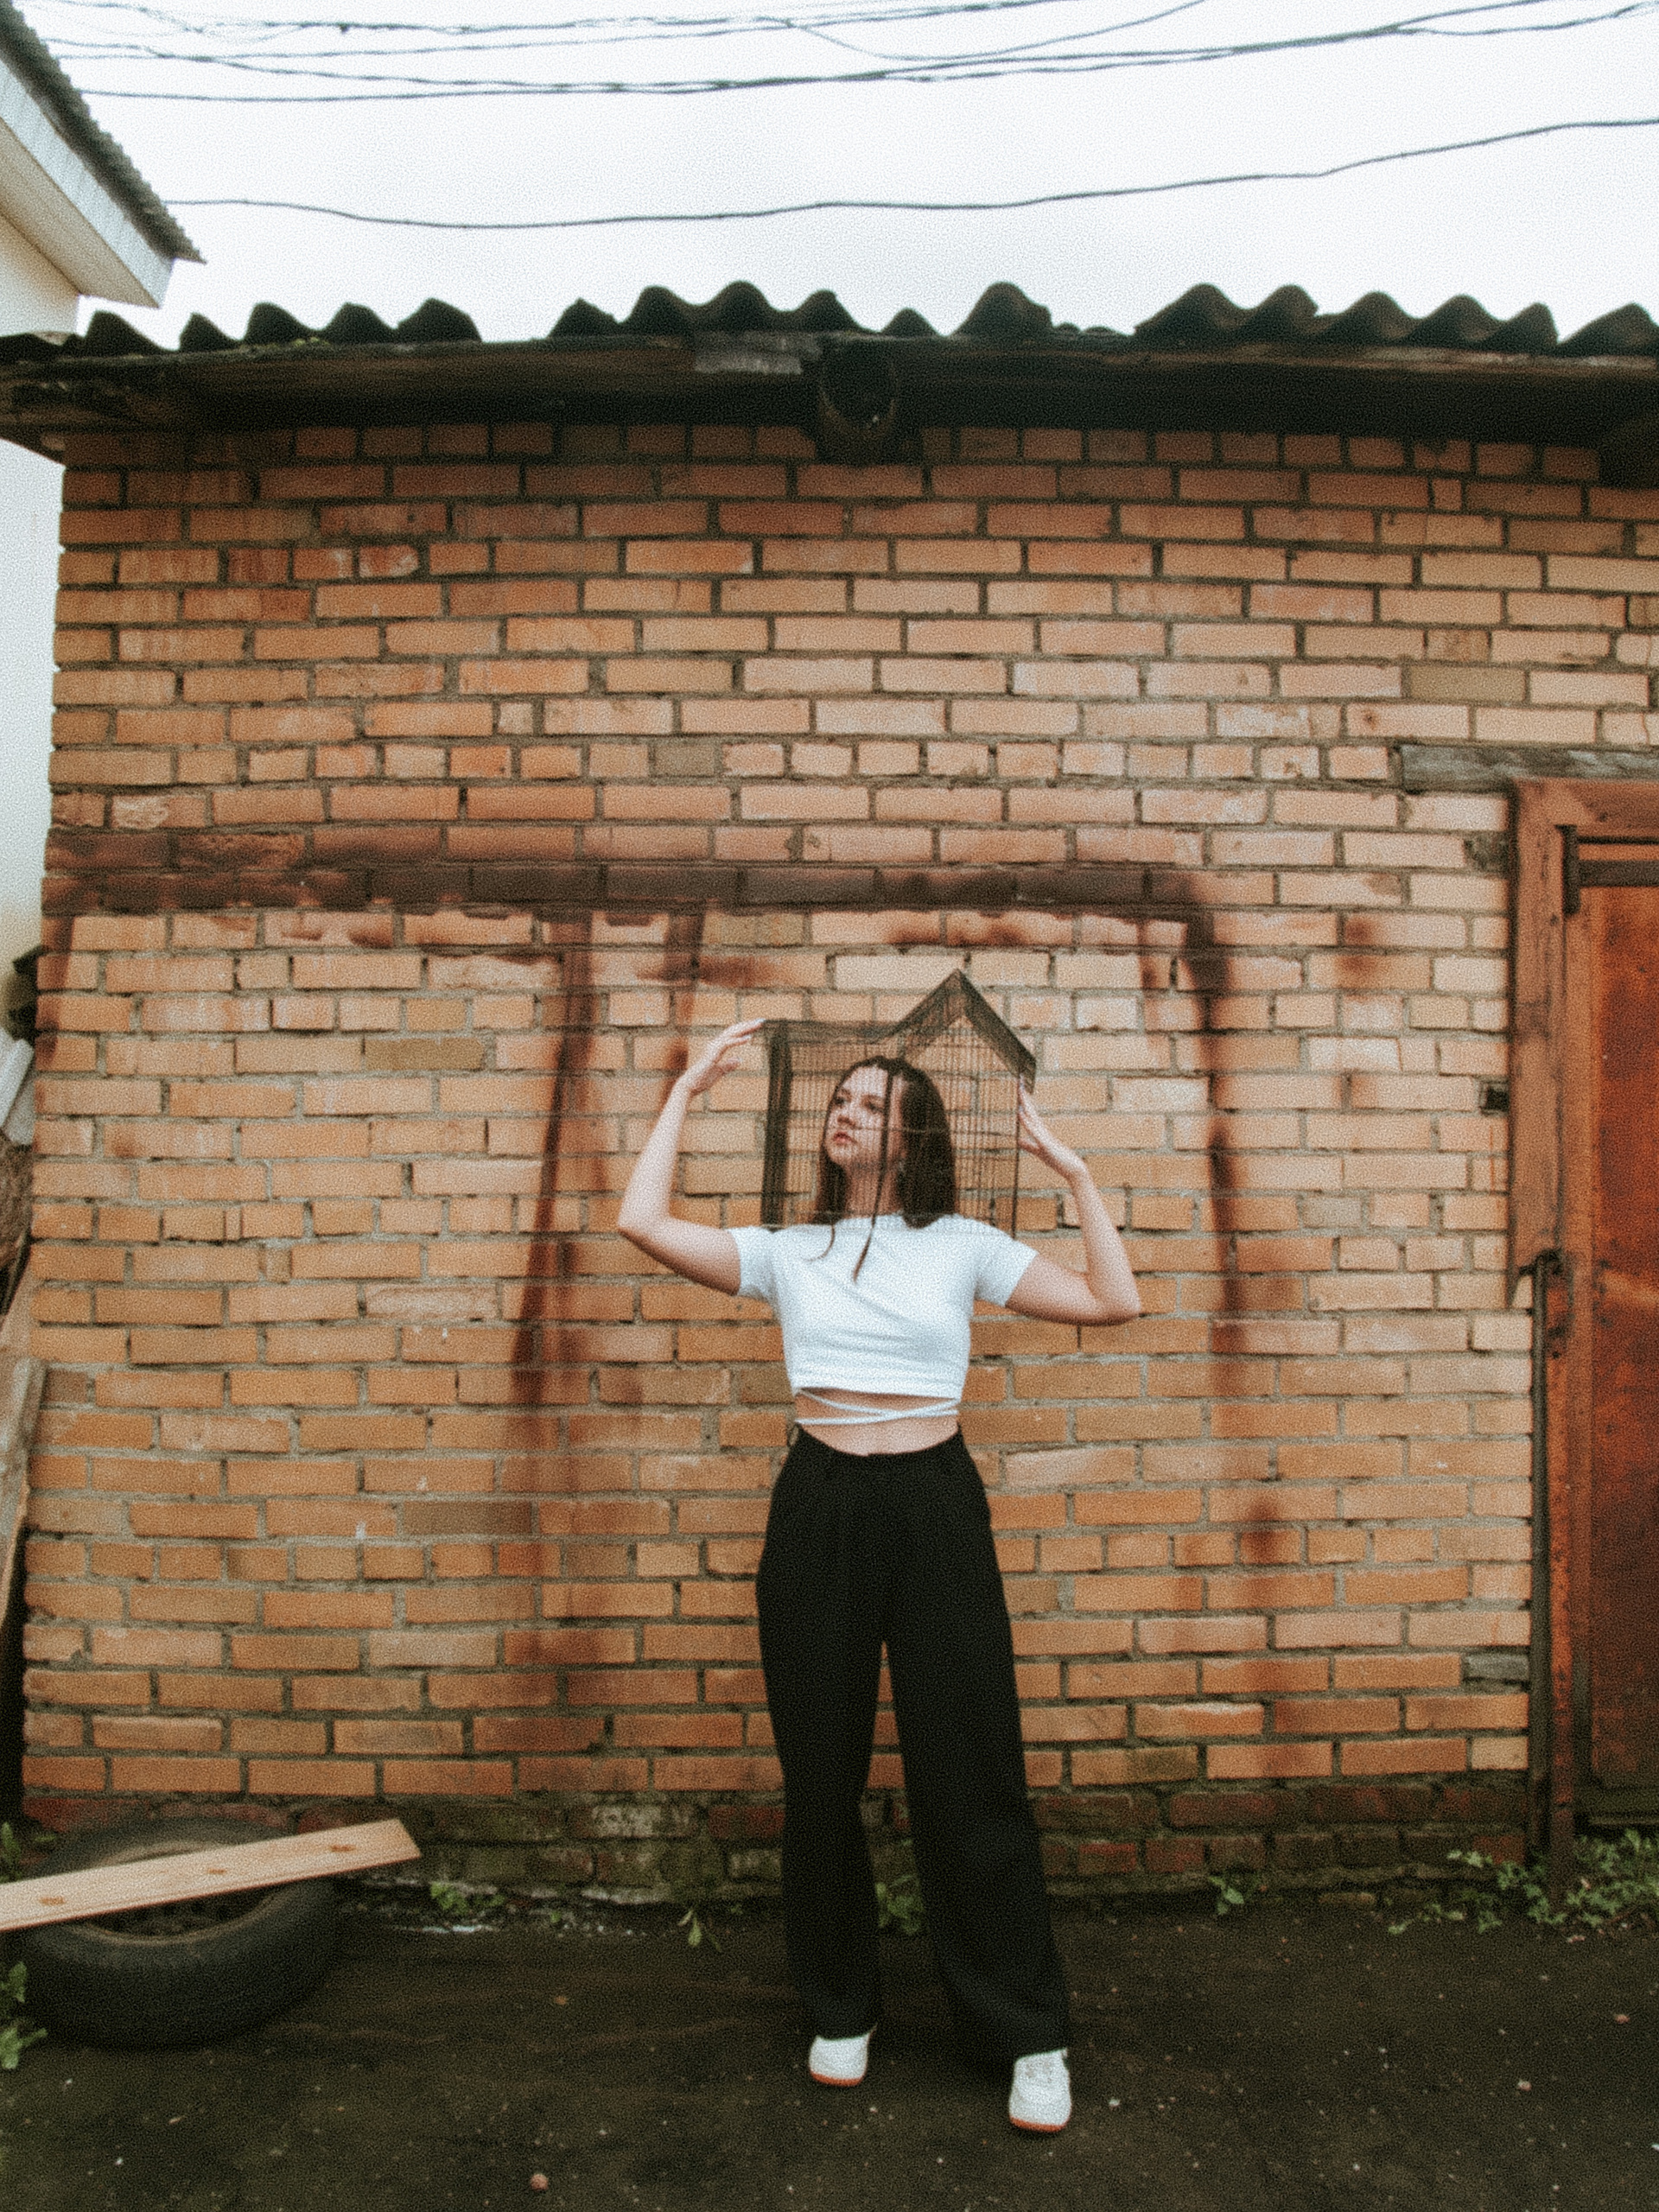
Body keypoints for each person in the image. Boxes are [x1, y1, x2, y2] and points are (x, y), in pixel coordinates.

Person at [618, 1017, 1140, 2134]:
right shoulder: (787, 1251)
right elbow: (641, 1222)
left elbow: (1113, 1301)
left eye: (869, 1103)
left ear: (912, 1138)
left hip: (934, 1507)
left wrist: (1079, 1175)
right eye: (839, 1100)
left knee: (971, 1771)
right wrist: (688, 1090)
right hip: (822, 1506)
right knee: (821, 1775)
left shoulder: (963, 1244)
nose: (843, 1113)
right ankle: (840, 2006)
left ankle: (1026, 2033)